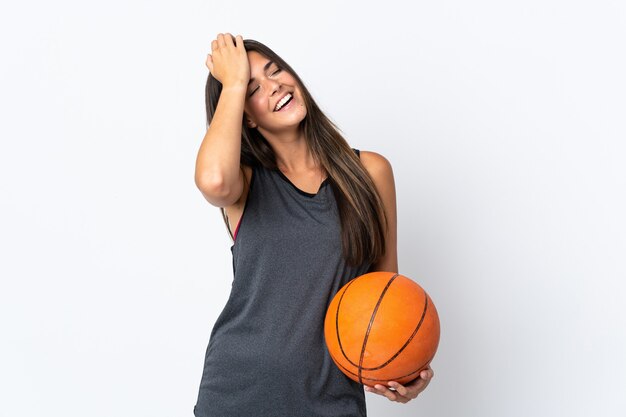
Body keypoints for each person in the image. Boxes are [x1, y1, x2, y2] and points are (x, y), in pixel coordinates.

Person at [193, 33, 434, 417]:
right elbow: (213, 181)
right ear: (246, 115)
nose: (275, 87)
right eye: (254, 87)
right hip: (236, 396)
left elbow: (386, 295)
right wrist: (232, 82)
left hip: (331, 403)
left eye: (277, 71)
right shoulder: (244, 183)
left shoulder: (371, 173)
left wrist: (401, 370)